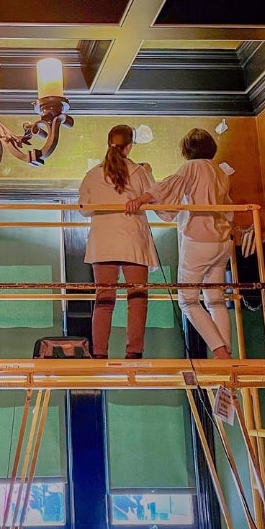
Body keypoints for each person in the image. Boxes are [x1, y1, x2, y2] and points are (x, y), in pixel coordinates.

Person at [126, 128, 234, 359]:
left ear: (187, 150)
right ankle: (226, 354)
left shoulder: (191, 167)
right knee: (215, 300)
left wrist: (141, 199)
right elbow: (228, 207)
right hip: (223, 241)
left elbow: (166, 189)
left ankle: (220, 351)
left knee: (188, 301)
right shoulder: (220, 172)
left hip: (198, 240)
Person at [78, 124, 158, 359]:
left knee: (104, 300)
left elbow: (83, 209)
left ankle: (100, 353)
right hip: (132, 240)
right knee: (137, 299)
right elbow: (157, 195)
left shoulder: (93, 174)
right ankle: (134, 352)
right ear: (130, 146)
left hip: (103, 243)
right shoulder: (139, 172)